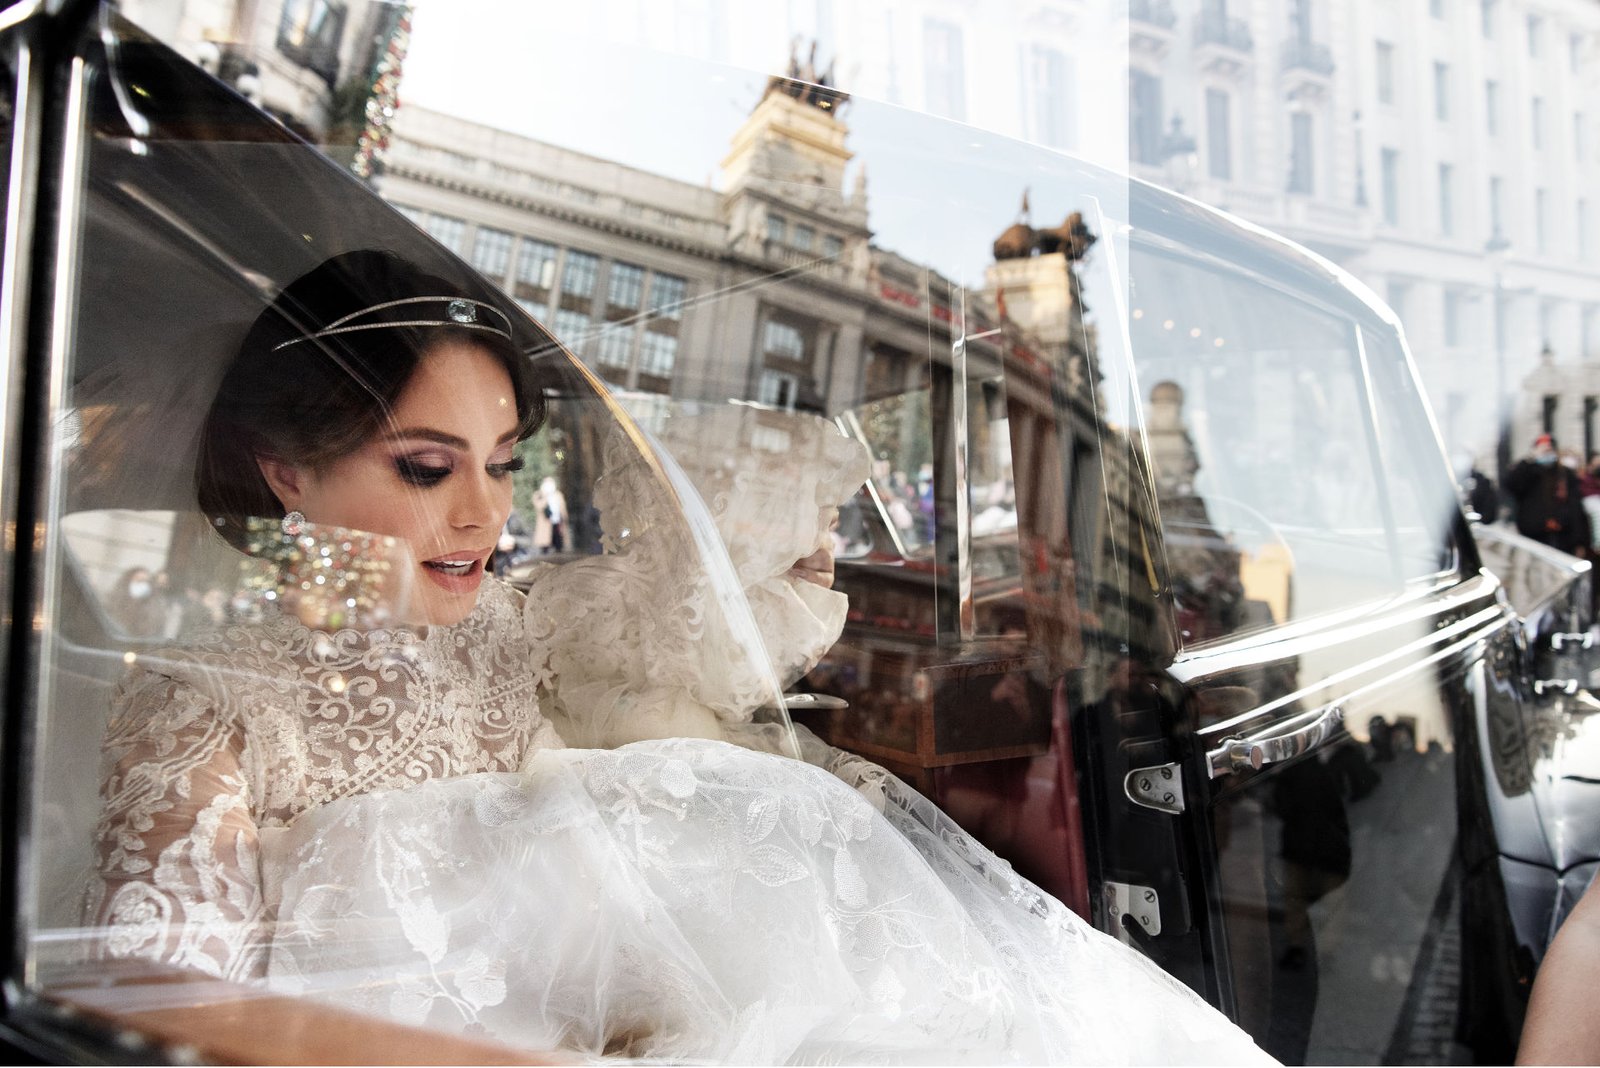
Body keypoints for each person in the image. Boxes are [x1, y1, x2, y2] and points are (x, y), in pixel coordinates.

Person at [88, 250, 1269, 1063]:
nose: (482, 516)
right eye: (425, 467)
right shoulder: (205, 713)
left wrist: (791, 521)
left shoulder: (534, 621)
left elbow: (708, 616)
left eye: (504, 465)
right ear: (286, 473)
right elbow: (173, 1022)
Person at [1505, 433, 1591, 555]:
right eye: (1543, 450)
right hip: (1535, 535)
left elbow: (1576, 509)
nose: (1547, 453)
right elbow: (1511, 485)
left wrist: (1579, 541)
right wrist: (1529, 460)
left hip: (1563, 537)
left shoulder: (1565, 474)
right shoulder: (1529, 471)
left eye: (1549, 450)